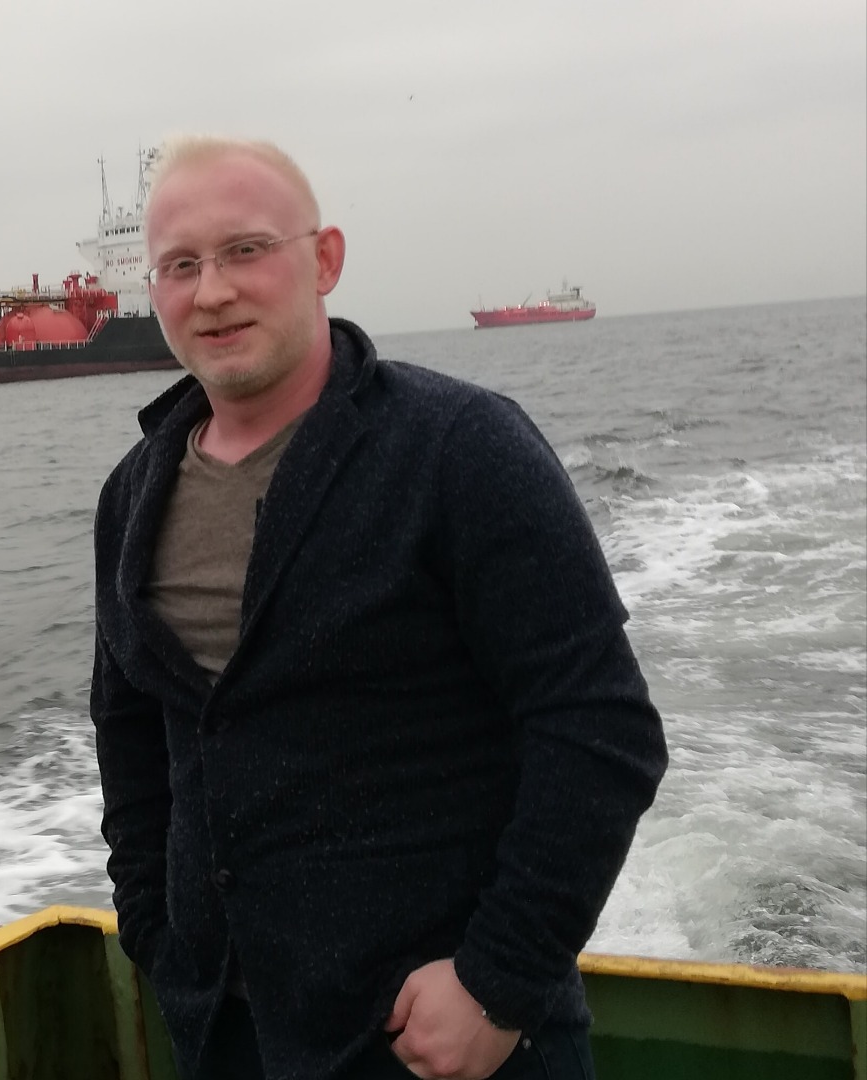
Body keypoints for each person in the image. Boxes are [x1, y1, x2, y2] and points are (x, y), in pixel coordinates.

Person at [90, 135, 667, 1080]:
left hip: (438, 1039)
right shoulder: (131, 493)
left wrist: (498, 983)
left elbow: (601, 728)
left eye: (245, 250)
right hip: (224, 1027)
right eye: (180, 266)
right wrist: (154, 929)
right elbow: (128, 732)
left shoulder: (460, 447)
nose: (212, 291)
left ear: (324, 260)